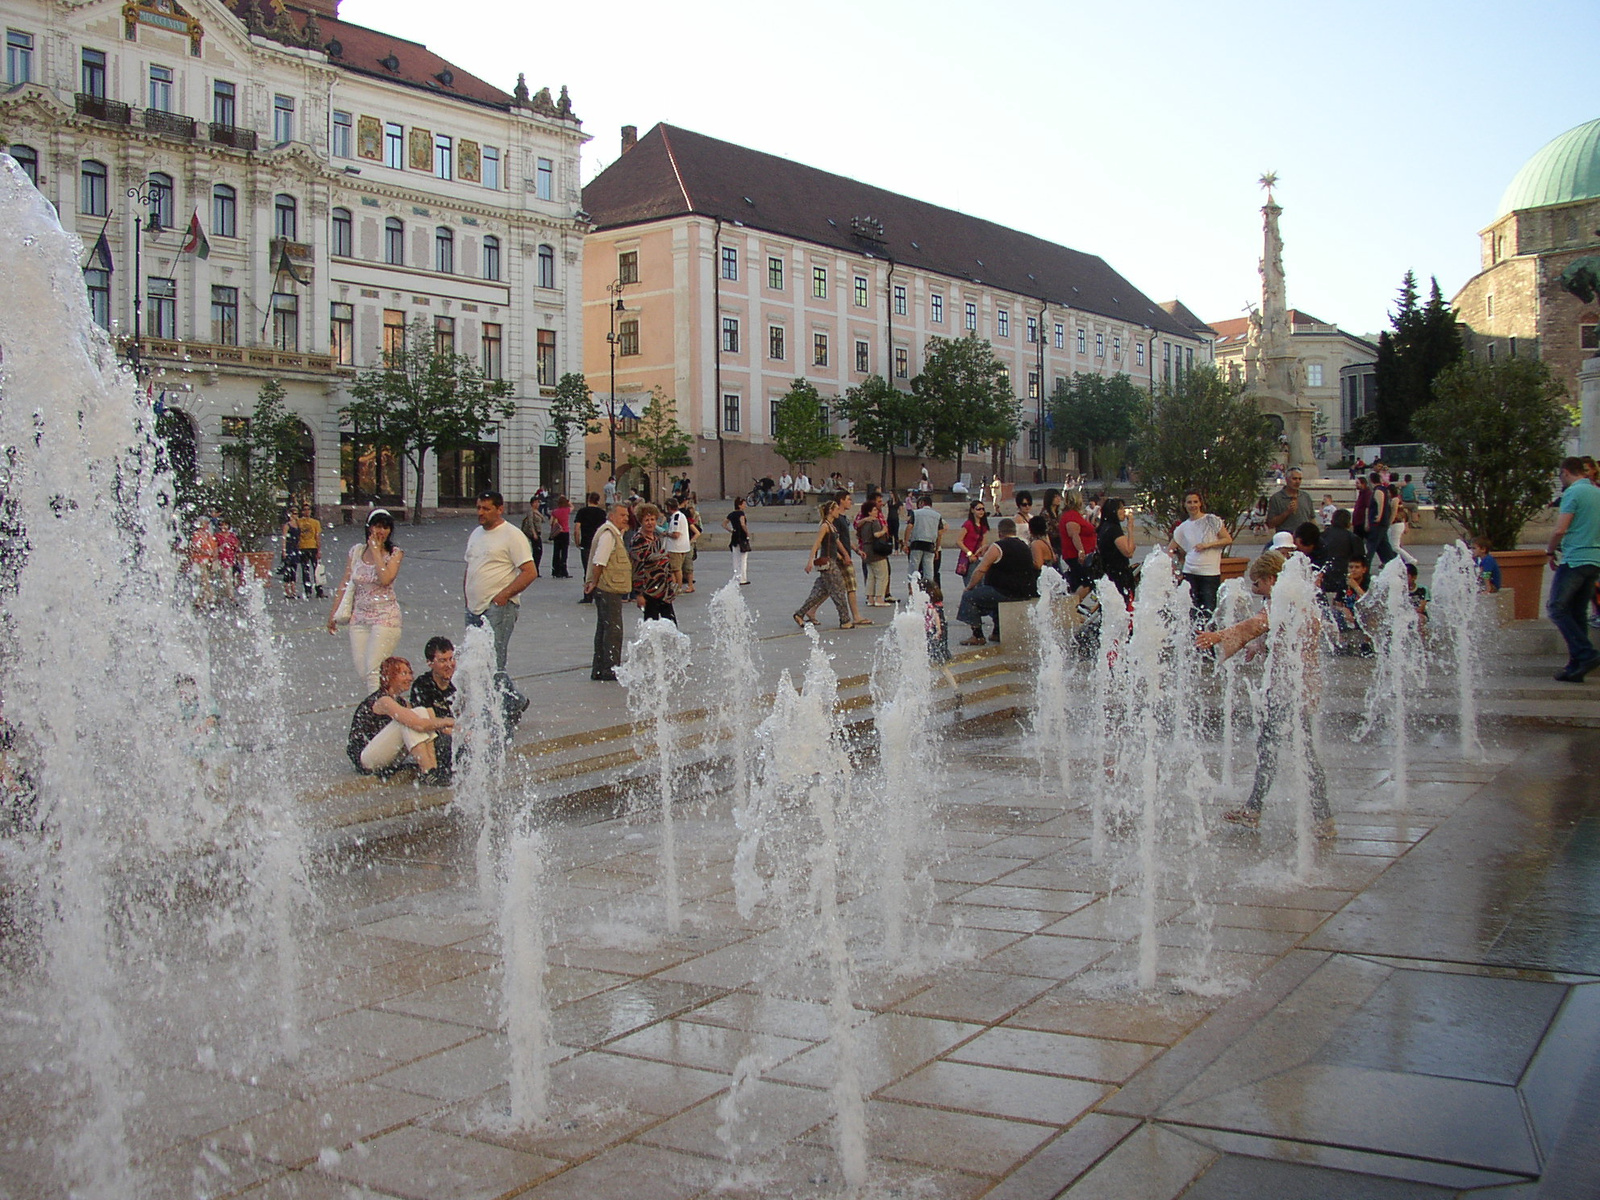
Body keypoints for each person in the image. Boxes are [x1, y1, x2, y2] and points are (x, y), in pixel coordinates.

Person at [1196, 551, 1335, 838]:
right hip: (1295, 686)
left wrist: (1218, 636)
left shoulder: (1286, 600)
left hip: (1290, 689)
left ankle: (1315, 817)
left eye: (1257, 584)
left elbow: (1258, 623)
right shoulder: (1294, 599)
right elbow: (1274, 631)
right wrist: (1255, 647)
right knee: (1276, 748)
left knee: (1291, 752)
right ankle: (1262, 809)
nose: (1254, 590)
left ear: (1271, 579)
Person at [327, 509, 404, 692]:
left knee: (373, 670)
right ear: (369, 528)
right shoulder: (357, 551)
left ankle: (377, 712)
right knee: (364, 670)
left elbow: (386, 578)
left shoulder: (394, 553)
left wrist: (377, 552)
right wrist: (333, 613)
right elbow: (345, 583)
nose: (381, 531)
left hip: (385, 617)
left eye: (386, 527)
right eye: (378, 526)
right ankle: (389, 702)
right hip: (360, 619)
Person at [463, 491, 538, 676]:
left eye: (486, 509)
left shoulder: (512, 535)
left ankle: (503, 702)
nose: (481, 512)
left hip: (497, 608)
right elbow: (470, 566)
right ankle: (511, 702)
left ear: (500, 509)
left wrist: (503, 596)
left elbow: (530, 572)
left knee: (493, 662)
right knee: (474, 661)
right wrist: (467, 595)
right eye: (479, 508)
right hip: (473, 608)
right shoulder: (476, 534)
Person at [346, 656, 453, 784]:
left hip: (388, 757)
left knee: (422, 712)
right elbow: (419, 725)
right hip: (367, 759)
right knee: (409, 720)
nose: (410, 678)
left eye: (410, 673)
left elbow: (426, 724)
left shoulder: (402, 702)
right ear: (389, 676)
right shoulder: (383, 700)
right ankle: (427, 771)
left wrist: (458, 730)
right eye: (404, 673)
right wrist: (449, 721)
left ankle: (433, 770)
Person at [1546, 456, 1600, 682]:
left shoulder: (1573, 493)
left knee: (1556, 608)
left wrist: (1550, 551)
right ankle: (1575, 666)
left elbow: (1561, 529)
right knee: (1577, 612)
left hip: (1575, 558)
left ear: (1566, 472)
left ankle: (1586, 654)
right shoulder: (1597, 492)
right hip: (1594, 559)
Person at [957, 517, 1040, 644]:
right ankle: (996, 632)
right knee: (991, 594)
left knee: (969, 597)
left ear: (999, 533)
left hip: (1006, 592)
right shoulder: (1023, 545)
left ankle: (977, 635)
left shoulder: (998, 547)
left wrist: (969, 587)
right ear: (1015, 532)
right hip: (1024, 592)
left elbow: (980, 570)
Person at [584, 503, 633, 681]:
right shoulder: (608, 535)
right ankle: (610, 669)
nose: (625, 518)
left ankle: (600, 668)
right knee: (613, 628)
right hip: (607, 587)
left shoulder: (614, 533)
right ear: (611, 516)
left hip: (607, 587)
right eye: (621, 515)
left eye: (626, 515)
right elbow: (599, 561)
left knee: (604, 627)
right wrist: (594, 581)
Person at [1166, 489, 1232, 618]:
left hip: (1210, 572)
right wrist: (1175, 569)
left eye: (1195, 502)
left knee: (1209, 610)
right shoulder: (1183, 527)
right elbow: (1170, 549)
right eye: (1189, 502)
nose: (1193, 505)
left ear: (1200, 503)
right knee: (1192, 611)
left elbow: (1227, 539)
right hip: (1190, 572)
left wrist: (1207, 545)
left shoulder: (1211, 520)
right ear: (1184, 505)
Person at [794, 498, 853, 629]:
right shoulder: (825, 526)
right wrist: (810, 561)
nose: (838, 511)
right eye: (836, 509)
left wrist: (844, 556)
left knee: (820, 592)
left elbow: (835, 544)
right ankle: (845, 620)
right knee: (838, 590)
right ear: (831, 511)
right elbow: (817, 544)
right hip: (828, 564)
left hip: (832, 561)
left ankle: (800, 613)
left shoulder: (832, 526)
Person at [409, 636, 457, 771]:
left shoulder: (458, 682)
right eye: (442, 661)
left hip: (458, 730)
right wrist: (460, 734)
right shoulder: (423, 685)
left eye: (451, 659)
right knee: (449, 744)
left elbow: (470, 714)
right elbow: (431, 724)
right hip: (435, 737)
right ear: (430, 663)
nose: (449, 665)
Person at [626, 502, 678, 623]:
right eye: (647, 520)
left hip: (664, 589)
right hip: (648, 589)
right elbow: (637, 567)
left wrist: (671, 580)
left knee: (671, 624)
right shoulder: (638, 540)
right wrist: (639, 594)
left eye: (652, 519)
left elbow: (665, 561)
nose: (650, 523)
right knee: (651, 625)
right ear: (641, 521)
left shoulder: (657, 537)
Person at [831, 492, 872, 625]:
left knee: (827, 587)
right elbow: (836, 539)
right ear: (841, 501)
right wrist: (844, 556)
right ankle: (856, 616)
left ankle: (809, 611)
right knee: (851, 585)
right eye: (848, 499)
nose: (851, 502)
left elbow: (845, 538)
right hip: (842, 557)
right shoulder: (837, 518)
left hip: (844, 555)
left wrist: (857, 550)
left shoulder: (842, 517)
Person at [1097, 497, 1137, 602]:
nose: (1124, 511)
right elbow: (1128, 551)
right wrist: (1130, 528)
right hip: (1118, 574)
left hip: (1108, 571)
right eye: (1120, 509)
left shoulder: (1104, 527)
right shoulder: (1114, 530)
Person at [1058, 489, 1098, 594]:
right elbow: (1074, 535)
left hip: (1076, 554)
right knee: (1086, 582)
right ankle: (1075, 604)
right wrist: (1081, 550)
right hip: (1075, 555)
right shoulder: (1071, 516)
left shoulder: (1072, 515)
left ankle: (1074, 603)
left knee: (1078, 581)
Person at [857, 495, 893, 607]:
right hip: (876, 551)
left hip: (866, 550)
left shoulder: (863, 523)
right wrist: (884, 530)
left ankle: (870, 598)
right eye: (874, 510)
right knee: (882, 575)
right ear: (869, 512)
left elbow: (858, 532)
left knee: (871, 576)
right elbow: (876, 534)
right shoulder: (875, 522)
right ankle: (879, 598)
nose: (876, 511)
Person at [1318, 509, 1362, 597]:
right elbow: (1360, 561)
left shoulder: (1321, 536)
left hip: (1323, 583)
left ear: (1331, 521)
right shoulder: (1353, 538)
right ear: (1349, 524)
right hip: (1345, 584)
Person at [573, 492, 608, 600]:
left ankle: (587, 595)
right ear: (598, 501)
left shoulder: (582, 512)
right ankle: (599, 593)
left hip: (587, 543)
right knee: (599, 568)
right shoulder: (602, 513)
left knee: (587, 570)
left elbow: (577, 528)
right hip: (599, 543)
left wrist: (577, 541)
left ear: (588, 500)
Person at [906, 494, 945, 582]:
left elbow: (909, 527)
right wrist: (937, 548)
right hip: (930, 544)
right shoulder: (937, 515)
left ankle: (913, 589)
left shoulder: (916, 513)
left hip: (917, 543)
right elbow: (939, 533)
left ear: (922, 503)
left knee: (913, 569)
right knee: (929, 570)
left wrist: (906, 542)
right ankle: (928, 589)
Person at [1265, 466, 1314, 534]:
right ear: (1287, 479)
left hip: (1304, 539)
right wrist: (1287, 512)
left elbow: (1312, 518)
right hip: (1285, 538)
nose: (1297, 482)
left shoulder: (1305, 497)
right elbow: (1271, 524)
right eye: (1294, 479)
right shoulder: (1276, 498)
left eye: (1300, 479)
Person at [663, 499, 694, 594]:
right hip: (683, 546)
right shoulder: (681, 515)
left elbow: (676, 534)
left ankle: (677, 587)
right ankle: (677, 586)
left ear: (669, 507)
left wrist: (666, 534)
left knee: (675, 569)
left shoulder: (676, 517)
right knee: (677, 568)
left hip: (675, 547)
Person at [1365, 473, 1396, 566]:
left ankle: (1366, 566)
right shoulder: (1382, 490)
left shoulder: (1378, 490)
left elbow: (1380, 503)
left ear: (1371, 481)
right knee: (1383, 546)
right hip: (1381, 523)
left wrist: (1379, 516)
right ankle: (1392, 563)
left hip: (1377, 524)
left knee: (1371, 546)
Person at [958, 500, 991, 583]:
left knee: (981, 582)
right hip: (967, 558)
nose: (981, 511)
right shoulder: (968, 524)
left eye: (983, 509)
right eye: (978, 509)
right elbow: (959, 541)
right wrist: (969, 554)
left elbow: (984, 544)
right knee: (970, 582)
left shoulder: (983, 527)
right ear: (972, 510)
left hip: (977, 558)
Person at [296, 503, 324, 599]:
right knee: (305, 570)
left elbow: (317, 536)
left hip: (313, 547)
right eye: (305, 509)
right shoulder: (298, 522)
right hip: (302, 547)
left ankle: (319, 590)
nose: (307, 511)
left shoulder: (315, 522)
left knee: (317, 570)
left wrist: (319, 550)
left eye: (308, 509)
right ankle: (307, 590)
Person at [724, 495, 752, 584]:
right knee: (743, 559)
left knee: (735, 558)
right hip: (742, 536)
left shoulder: (731, 514)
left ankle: (736, 577)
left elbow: (724, 524)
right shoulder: (741, 514)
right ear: (739, 505)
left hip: (735, 536)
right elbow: (743, 524)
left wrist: (731, 530)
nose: (745, 506)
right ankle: (743, 578)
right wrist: (747, 533)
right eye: (743, 504)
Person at [1387, 497, 1418, 567]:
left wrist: (1389, 523)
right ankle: (1398, 561)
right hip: (1398, 524)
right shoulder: (1398, 504)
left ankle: (1410, 559)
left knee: (1394, 546)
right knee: (1393, 546)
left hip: (1395, 524)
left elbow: (1398, 514)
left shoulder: (1395, 501)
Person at [548, 494, 572, 578]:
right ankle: (564, 570)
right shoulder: (567, 510)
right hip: (565, 532)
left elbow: (551, 522)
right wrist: (568, 501)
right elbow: (572, 506)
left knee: (556, 551)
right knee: (564, 552)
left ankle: (555, 571)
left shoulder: (555, 511)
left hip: (558, 533)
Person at [279, 509, 301, 600]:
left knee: (293, 570)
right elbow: (284, 538)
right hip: (289, 548)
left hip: (295, 548)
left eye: (297, 514)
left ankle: (293, 590)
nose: (296, 515)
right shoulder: (287, 525)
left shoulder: (298, 525)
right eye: (294, 514)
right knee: (287, 570)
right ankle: (287, 591)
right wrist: (284, 550)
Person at [520, 496, 545, 575]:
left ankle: (536, 568)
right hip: (533, 533)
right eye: (536, 502)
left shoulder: (536, 511)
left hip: (538, 532)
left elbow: (543, 520)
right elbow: (530, 523)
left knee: (539, 551)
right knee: (537, 551)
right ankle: (534, 569)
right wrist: (534, 533)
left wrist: (539, 514)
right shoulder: (530, 511)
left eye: (538, 502)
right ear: (533, 503)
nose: (538, 504)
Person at [215, 518, 242, 589]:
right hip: (222, 559)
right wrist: (221, 547)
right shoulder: (217, 536)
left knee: (229, 578)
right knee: (226, 579)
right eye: (222, 525)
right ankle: (230, 596)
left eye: (225, 525)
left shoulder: (232, 536)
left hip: (231, 559)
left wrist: (236, 546)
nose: (224, 527)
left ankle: (227, 594)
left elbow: (237, 547)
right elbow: (214, 548)